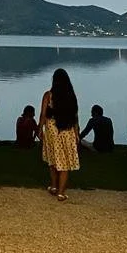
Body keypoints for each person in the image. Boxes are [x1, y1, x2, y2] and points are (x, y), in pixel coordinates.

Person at [39, 68, 80, 201]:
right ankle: (61, 192)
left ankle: (54, 186)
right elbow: (74, 116)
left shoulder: (48, 95)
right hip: (66, 130)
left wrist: (40, 128)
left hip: (52, 130)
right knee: (65, 162)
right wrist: (76, 132)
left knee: (52, 159)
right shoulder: (71, 96)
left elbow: (43, 114)